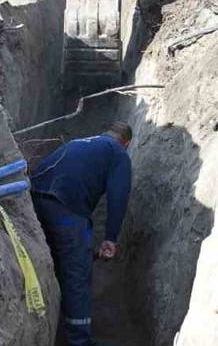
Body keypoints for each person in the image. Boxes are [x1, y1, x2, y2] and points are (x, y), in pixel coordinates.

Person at [30, 122, 133, 345]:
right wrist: (111, 238)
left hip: (34, 201)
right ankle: (79, 341)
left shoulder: (79, 143)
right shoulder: (118, 153)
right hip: (66, 209)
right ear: (127, 143)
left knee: (58, 265)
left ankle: (55, 330)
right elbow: (119, 196)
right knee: (77, 272)